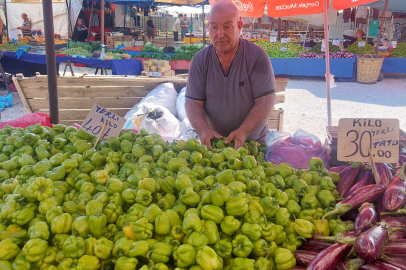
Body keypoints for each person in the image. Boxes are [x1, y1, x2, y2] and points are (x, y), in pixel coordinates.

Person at [185, 0, 276, 150]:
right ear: (209, 28)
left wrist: (244, 130)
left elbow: (265, 100)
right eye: (214, 27)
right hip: (214, 146)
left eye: (227, 27)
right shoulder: (200, 60)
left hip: (253, 145)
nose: (220, 34)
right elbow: (193, 102)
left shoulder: (257, 56)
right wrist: (203, 130)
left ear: (239, 26)